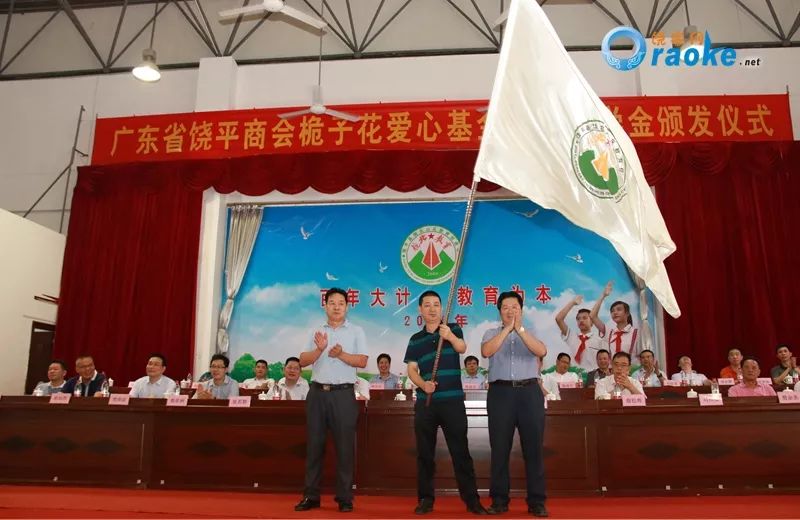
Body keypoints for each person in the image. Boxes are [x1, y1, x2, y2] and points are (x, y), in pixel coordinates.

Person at [405, 290, 487, 516]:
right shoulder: (415, 339)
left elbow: (462, 348)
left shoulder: (452, 328)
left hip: (452, 402)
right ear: (420, 310)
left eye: (436, 305)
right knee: (424, 454)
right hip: (426, 404)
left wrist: (449, 335)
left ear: (442, 308)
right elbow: (411, 369)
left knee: (460, 452)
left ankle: (472, 501)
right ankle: (425, 499)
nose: (432, 309)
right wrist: (423, 384)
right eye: (427, 305)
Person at [295, 288, 368, 514]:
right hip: (317, 394)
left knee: (345, 448)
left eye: (341, 303)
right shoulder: (316, 331)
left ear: (347, 306)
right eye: (332, 302)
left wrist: (341, 355)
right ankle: (311, 495)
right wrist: (319, 349)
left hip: (343, 395)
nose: (336, 306)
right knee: (314, 446)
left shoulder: (357, 331)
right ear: (325, 306)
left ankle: (345, 497)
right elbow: (303, 361)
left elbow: (363, 361)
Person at [481, 291, 548, 517]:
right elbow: (486, 351)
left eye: (515, 307)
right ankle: (499, 500)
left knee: (534, 449)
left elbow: (541, 351)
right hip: (500, 394)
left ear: (521, 309)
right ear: (499, 311)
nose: (510, 311)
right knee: (499, 449)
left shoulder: (531, 331)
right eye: (505, 307)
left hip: (529, 392)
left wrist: (518, 330)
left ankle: (537, 501)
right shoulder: (491, 333)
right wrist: (507, 330)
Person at [590, 281, 640, 356]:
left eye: (619, 309)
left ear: (627, 313)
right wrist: (603, 296)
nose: (615, 313)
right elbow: (592, 316)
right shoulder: (609, 332)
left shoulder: (636, 333)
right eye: (612, 311)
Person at [554, 295, 602, 371]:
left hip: (593, 376)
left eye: (585, 318)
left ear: (592, 322)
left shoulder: (599, 341)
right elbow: (558, 319)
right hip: (573, 375)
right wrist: (572, 303)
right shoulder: (572, 337)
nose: (581, 320)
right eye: (578, 319)